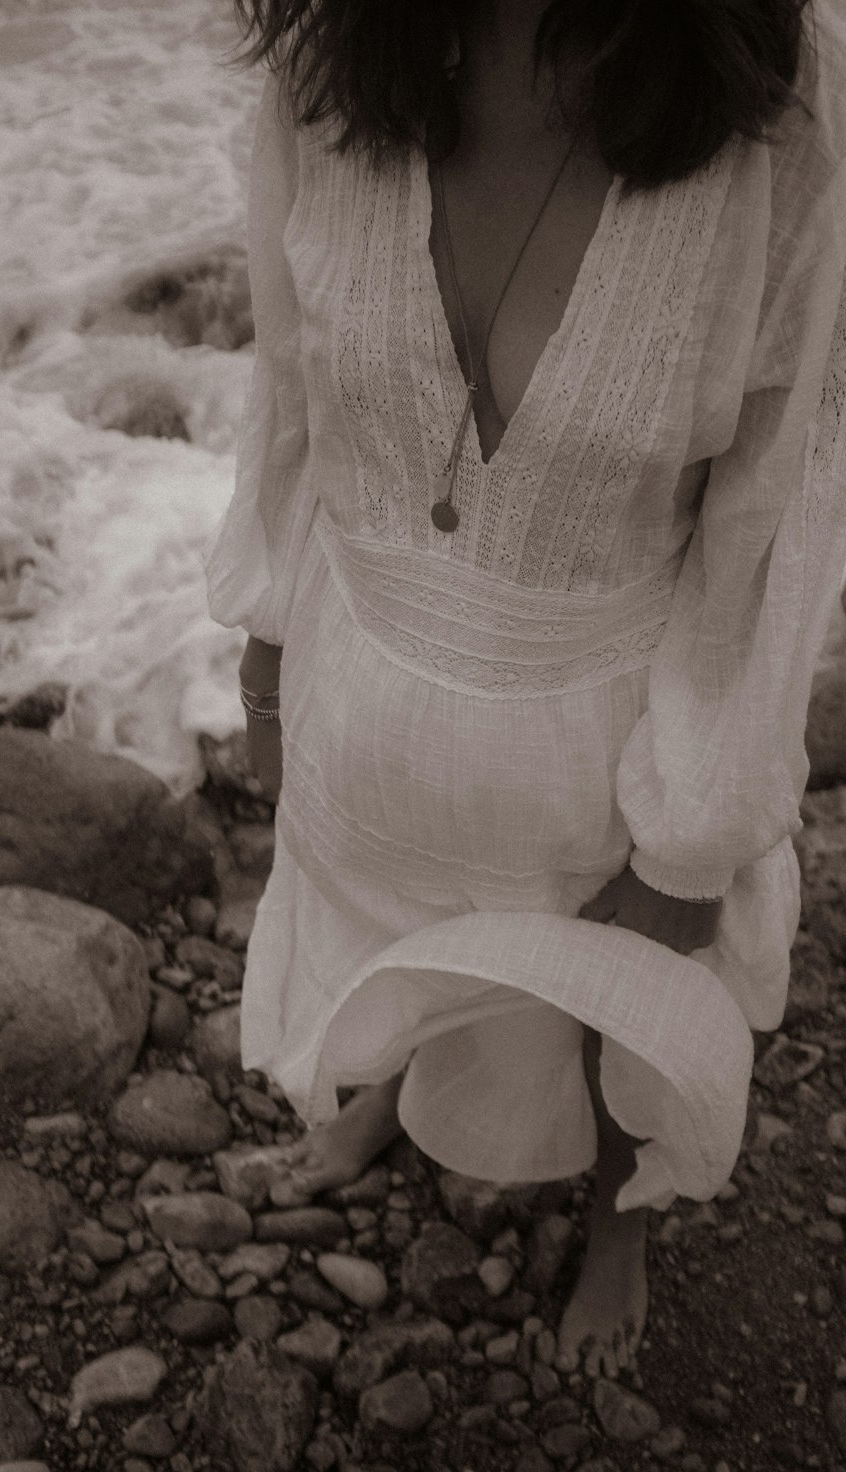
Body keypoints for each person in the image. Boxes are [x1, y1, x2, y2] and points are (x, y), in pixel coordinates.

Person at [202, 0, 846, 1378]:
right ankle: (381, 1089)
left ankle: (616, 1227)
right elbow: (292, 384)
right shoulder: (333, 63)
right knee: (371, 916)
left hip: (601, 745)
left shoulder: (779, 107)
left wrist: (698, 817)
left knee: (607, 1000)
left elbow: (776, 499)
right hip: (360, 675)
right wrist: (265, 642)